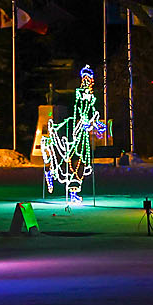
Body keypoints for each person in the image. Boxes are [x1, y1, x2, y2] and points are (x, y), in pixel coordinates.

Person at [43, 66, 107, 204]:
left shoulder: (90, 96)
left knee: (81, 164)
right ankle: (52, 173)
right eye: (85, 78)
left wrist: (96, 123)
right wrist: (85, 121)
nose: (88, 81)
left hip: (83, 135)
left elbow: (91, 113)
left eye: (89, 79)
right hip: (73, 132)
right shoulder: (78, 95)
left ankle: (73, 192)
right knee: (71, 161)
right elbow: (78, 112)